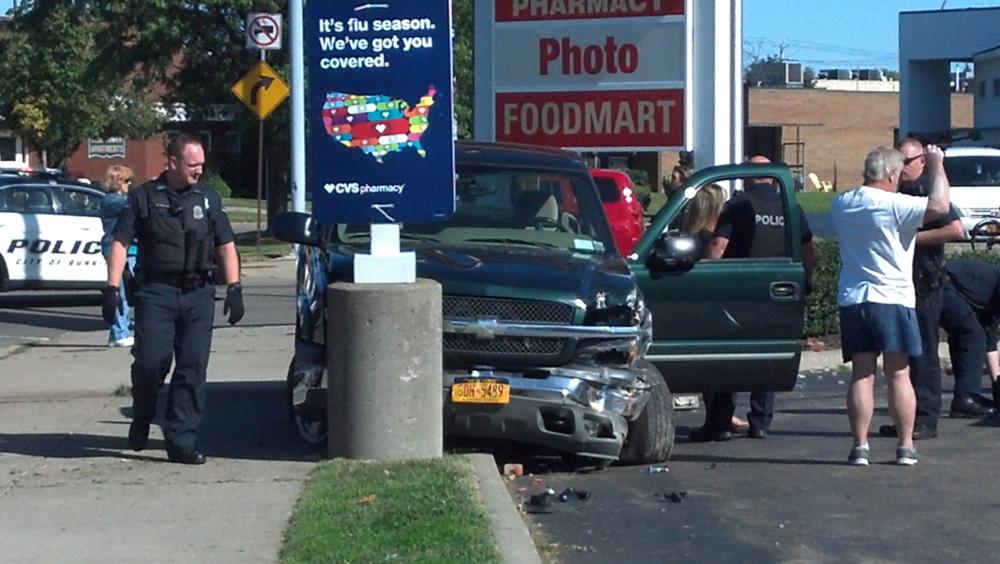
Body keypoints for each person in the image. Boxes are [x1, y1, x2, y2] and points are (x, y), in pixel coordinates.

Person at [103, 133, 244, 465]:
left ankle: (181, 441)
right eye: (193, 164)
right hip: (156, 293)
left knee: (192, 368)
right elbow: (120, 244)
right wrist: (111, 290)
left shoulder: (208, 200)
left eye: (202, 165)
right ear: (173, 163)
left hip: (198, 293)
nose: (199, 171)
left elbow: (226, 245)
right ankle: (143, 413)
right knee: (152, 362)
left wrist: (235, 288)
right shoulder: (144, 198)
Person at [831, 144, 951, 467]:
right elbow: (941, 205)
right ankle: (905, 446)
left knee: (862, 375)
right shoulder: (895, 205)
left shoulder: (842, 203)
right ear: (891, 174)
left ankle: (860, 447)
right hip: (892, 298)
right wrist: (937, 166)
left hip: (855, 298)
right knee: (899, 374)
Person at [689, 156, 816, 442]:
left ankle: (720, 423)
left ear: (748, 178)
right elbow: (807, 250)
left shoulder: (739, 205)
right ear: (771, 179)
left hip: (739, 289)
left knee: (728, 357)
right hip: (777, 290)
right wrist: (806, 281)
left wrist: (704, 281)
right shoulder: (791, 209)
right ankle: (760, 422)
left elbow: (718, 247)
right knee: (767, 356)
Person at [878, 138, 978, 443]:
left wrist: (909, 242)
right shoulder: (896, 191)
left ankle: (925, 419)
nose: (901, 168)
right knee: (901, 357)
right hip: (898, 283)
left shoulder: (928, 190)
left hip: (925, 281)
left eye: (907, 162)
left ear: (922, 161)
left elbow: (955, 228)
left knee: (923, 354)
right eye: (898, 161)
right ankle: (905, 418)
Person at [939, 259, 1000, 412]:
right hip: (942, 283)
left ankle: (966, 396)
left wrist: (996, 383)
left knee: (968, 335)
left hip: (949, 287)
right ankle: (966, 399)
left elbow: (989, 338)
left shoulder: (993, 299)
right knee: (971, 334)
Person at [99, 165, 137, 348]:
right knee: (119, 293)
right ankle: (118, 333)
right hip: (116, 249)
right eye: (126, 180)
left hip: (131, 249)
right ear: (116, 182)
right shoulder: (111, 201)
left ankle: (123, 330)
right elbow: (131, 205)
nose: (129, 184)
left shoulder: (121, 199)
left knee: (128, 292)